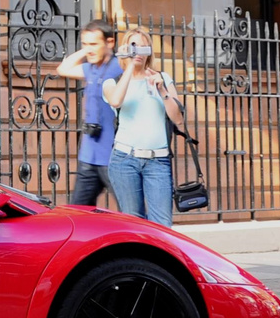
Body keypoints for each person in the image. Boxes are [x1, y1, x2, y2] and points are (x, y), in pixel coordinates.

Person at [102, 27, 187, 227]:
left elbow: (179, 119)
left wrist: (162, 90)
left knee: (162, 225)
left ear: (149, 50)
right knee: (135, 223)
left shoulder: (163, 79)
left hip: (158, 161)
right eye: (133, 46)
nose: (138, 51)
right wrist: (130, 66)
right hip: (125, 160)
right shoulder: (112, 82)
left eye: (142, 46)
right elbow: (115, 101)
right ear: (125, 49)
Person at [55, 20, 122, 208]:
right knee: (78, 212)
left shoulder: (120, 67)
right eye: (85, 44)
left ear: (110, 42)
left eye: (94, 44)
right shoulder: (91, 68)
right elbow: (63, 69)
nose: (89, 49)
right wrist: (87, 50)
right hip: (89, 156)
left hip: (113, 157)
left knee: (130, 211)